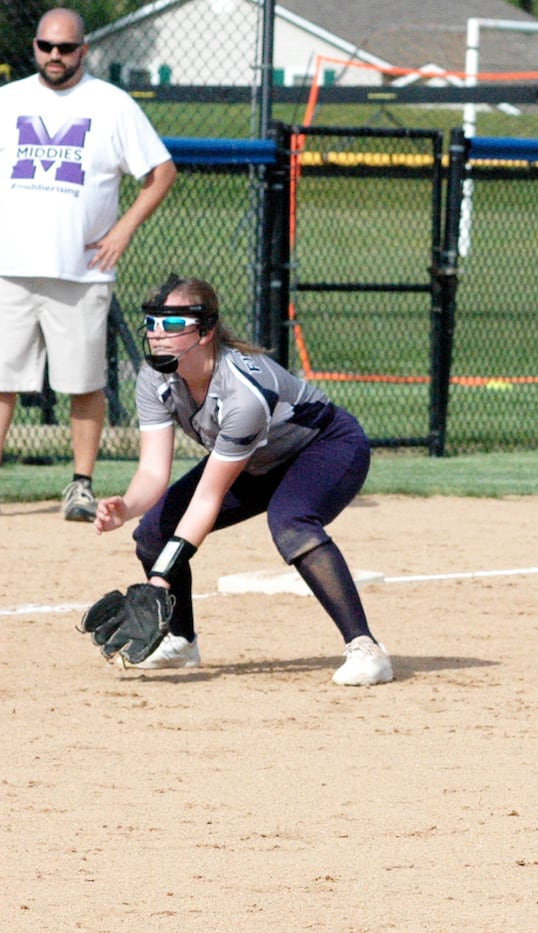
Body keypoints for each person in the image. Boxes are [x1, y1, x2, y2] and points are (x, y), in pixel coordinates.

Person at [92, 275, 394, 686]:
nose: (158, 335)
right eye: (152, 323)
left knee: (291, 520)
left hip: (324, 447)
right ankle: (180, 642)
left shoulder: (242, 393)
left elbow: (207, 499)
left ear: (207, 331)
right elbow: (152, 472)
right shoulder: (155, 378)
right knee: (152, 533)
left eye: (174, 324)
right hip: (254, 461)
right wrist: (126, 507)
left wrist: (158, 583)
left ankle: (366, 649)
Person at [0, 7, 176, 521]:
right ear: (34, 47)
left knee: (83, 382)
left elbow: (161, 173)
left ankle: (80, 485)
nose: (55, 56)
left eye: (67, 47)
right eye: (46, 46)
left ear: (84, 49)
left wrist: (122, 230)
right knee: (1, 381)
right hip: (11, 268)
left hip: (82, 272)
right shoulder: (8, 102)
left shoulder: (111, 105)